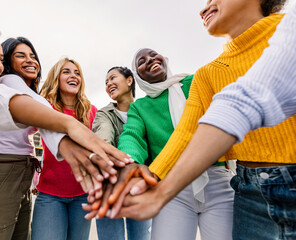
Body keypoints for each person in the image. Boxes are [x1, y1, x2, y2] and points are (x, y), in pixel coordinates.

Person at [105, 0, 296, 239]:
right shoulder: (150, 102)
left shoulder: (194, 80)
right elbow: (179, 133)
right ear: (137, 76)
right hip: (241, 188)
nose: (204, 8)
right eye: (140, 62)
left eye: (153, 55)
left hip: (220, 181)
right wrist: (140, 170)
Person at [0, 12, 129, 240]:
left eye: (0, 58)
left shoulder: (11, 87)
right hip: (3, 170)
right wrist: (66, 125)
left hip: (22, 174)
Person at [0, 37, 59, 240]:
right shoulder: (9, 80)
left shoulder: (20, 89)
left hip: (17, 170)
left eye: (33, 56)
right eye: (21, 55)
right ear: (8, 61)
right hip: (2, 168)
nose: (30, 60)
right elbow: (44, 110)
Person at [31, 58, 101, 240]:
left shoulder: (91, 111)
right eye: (67, 72)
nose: (73, 76)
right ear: (56, 78)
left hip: (83, 195)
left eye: (77, 73)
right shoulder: (45, 107)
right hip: (50, 195)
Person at [92, 66, 152, 240]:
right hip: (109, 186)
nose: (109, 83)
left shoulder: (146, 110)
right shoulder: (104, 113)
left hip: (140, 188)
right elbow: (103, 141)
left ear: (129, 80)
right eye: (106, 82)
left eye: (112, 78)